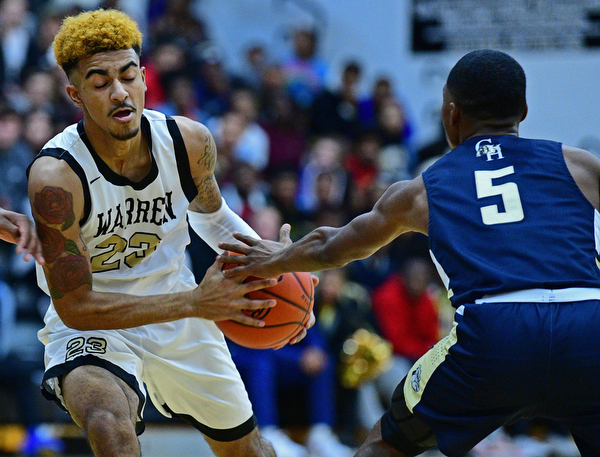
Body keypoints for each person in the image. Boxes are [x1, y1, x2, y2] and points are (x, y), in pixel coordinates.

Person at [219, 49, 600, 456]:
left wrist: (275, 258)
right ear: (523, 110)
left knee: (386, 444)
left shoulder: (423, 190)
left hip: (495, 332)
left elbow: (332, 248)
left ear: (451, 115)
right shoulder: (579, 165)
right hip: (588, 326)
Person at [26, 9, 312, 457]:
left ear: (144, 77)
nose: (119, 92)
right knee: (107, 424)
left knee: (250, 451)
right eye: (100, 83)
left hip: (179, 315)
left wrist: (278, 269)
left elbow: (214, 220)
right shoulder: (56, 176)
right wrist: (196, 301)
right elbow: (77, 306)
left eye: (128, 76)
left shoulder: (189, 142)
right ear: (75, 94)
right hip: (97, 320)